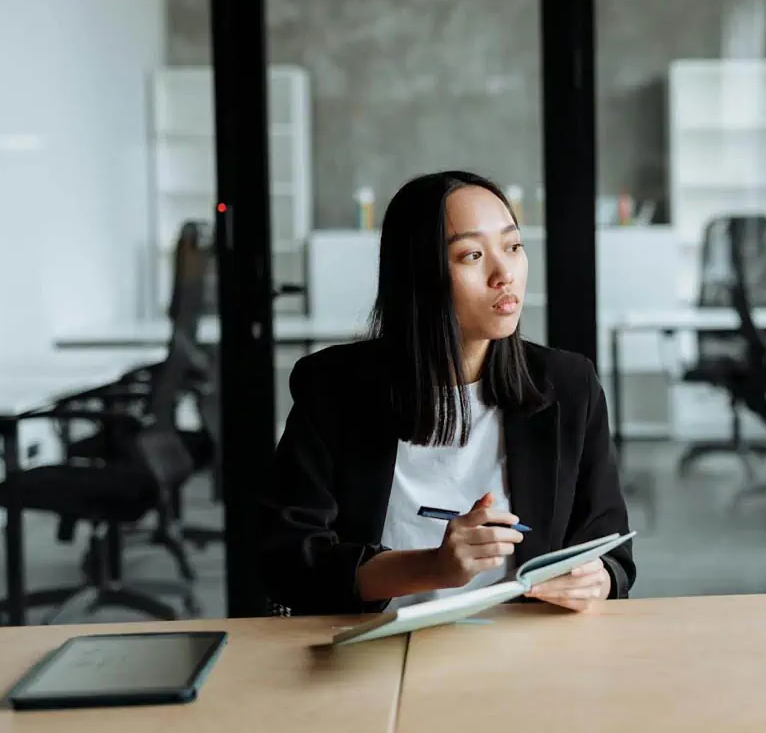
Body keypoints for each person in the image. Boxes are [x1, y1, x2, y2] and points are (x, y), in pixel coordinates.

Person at [257, 170, 635, 616]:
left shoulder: (569, 385)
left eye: (513, 247)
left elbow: (612, 551)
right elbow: (286, 562)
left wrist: (598, 577)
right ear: (419, 274)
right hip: (373, 654)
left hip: (526, 649)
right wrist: (432, 567)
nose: (503, 274)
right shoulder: (334, 387)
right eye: (472, 255)